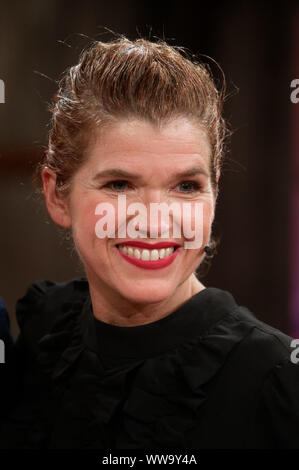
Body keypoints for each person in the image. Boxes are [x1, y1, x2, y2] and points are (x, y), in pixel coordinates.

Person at [0, 37, 298, 449]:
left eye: (186, 186)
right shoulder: (45, 332)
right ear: (56, 195)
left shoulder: (278, 381)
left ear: (215, 194)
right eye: (119, 184)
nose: (155, 218)